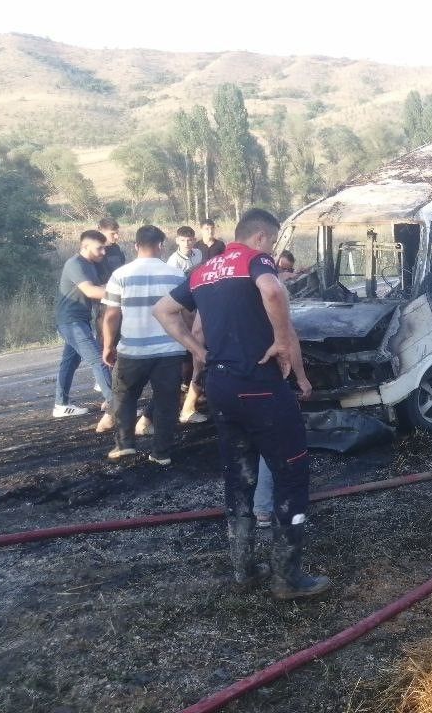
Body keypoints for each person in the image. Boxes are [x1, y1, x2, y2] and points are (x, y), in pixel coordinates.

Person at [153, 208, 329, 600]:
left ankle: (243, 570)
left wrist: (198, 350)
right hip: (260, 385)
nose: (273, 249)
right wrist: (281, 340)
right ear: (261, 237)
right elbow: (273, 291)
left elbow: (162, 310)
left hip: (220, 386)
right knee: (291, 475)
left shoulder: (203, 270)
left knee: (239, 477)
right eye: (273, 241)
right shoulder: (255, 261)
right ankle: (287, 578)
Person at [101, 225, 186, 465]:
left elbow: (111, 315)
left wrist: (108, 345)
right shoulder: (177, 276)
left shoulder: (120, 274)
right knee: (167, 401)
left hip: (133, 349)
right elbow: (187, 313)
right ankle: (161, 453)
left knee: (124, 396)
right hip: (170, 350)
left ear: (136, 246)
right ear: (161, 245)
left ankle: (125, 445)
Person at [53, 230, 115, 429]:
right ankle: (116, 405)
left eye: (104, 248)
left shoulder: (90, 264)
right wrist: (122, 291)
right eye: (99, 248)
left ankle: (61, 404)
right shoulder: (75, 264)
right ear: (85, 246)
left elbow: (99, 288)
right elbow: (90, 291)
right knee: (99, 360)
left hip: (79, 320)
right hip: (71, 321)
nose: (103, 252)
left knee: (70, 361)